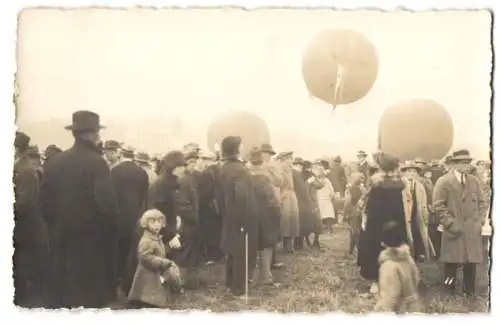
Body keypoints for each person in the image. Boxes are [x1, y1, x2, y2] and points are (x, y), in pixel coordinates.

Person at [39, 111, 119, 308]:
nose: (100, 138)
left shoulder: (55, 162)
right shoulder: (97, 163)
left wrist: (58, 225)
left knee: (61, 297)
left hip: (60, 241)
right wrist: (107, 235)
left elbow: (43, 203)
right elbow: (107, 207)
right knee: (88, 300)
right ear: (91, 135)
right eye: (98, 133)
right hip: (90, 244)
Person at [121, 151, 185, 296]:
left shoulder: (169, 182)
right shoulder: (162, 184)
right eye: (182, 166)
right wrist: (169, 234)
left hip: (158, 227)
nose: (184, 169)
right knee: (147, 262)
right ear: (174, 167)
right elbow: (154, 213)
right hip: (151, 229)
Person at [433, 149, 487, 297]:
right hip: (453, 230)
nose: (466, 165)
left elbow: (482, 202)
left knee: (471, 263)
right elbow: (438, 206)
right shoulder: (444, 181)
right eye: (463, 162)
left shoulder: (474, 181)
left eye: (468, 162)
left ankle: (469, 292)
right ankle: (448, 291)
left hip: (471, 230)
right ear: (454, 164)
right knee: (451, 263)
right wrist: (451, 223)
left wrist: (479, 221)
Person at [357, 152, 408, 294]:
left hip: (378, 224)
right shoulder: (398, 184)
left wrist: (368, 219)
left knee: (375, 252)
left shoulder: (378, 184)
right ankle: (395, 281)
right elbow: (398, 208)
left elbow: (374, 207)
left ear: (381, 167)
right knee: (393, 252)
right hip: (396, 224)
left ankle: (377, 281)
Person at [13, 131, 50, 308]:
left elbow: (25, 202)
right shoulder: (20, 167)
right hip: (23, 225)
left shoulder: (26, 170)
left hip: (25, 226)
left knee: (22, 265)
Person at [219, 136, 259, 298]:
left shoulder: (224, 167)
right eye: (241, 145)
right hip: (241, 216)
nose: (243, 146)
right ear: (236, 148)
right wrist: (246, 218)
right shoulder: (240, 169)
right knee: (242, 252)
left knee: (231, 249)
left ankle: (230, 283)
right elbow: (242, 196)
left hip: (228, 214)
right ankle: (239, 288)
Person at [110, 146, 149, 287]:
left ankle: (119, 276)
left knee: (120, 247)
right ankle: (132, 278)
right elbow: (145, 196)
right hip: (136, 216)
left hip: (119, 216)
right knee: (133, 248)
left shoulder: (114, 172)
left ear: (121, 154)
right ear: (133, 156)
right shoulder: (141, 173)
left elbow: (111, 195)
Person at [128, 209, 182, 308]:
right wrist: (163, 262)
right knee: (148, 292)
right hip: (147, 272)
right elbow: (145, 257)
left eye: (159, 222)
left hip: (155, 271)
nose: (157, 224)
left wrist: (168, 248)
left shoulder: (156, 237)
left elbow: (159, 251)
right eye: (153, 222)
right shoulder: (147, 240)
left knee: (154, 291)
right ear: (146, 223)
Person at [247, 147, 281, 286]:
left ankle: (251, 276)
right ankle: (266, 276)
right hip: (266, 215)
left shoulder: (246, 176)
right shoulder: (265, 177)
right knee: (266, 246)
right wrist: (277, 211)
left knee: (253, 245)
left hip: (250, 214)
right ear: (261, 163)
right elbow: (272, 199)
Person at [374, 221, 421, 313]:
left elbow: (390, 296)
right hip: (411, 307)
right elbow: (416, 278)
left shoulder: (389, 266)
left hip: (397, 311)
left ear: (383, 242)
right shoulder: (408, 258)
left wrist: (380, 311)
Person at [401, 161, 435, 262]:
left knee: (417, 233)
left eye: (414, 171)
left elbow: (424, 200)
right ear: (404, 172)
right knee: (405, 234)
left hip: (417, 213)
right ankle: (407, 255)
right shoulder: (400, 185)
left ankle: (418, 254)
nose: (411, 173)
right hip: (404, 213)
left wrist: (425, 213)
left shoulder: (419, 186)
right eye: (409, 171)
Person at [198, 150, 224, 263]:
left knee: (210, 231)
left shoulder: (207, 173)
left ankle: (213, 256)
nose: (202, 161)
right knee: (218, 229)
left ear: (209, 160)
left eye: (204, 159)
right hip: (219, 204)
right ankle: (220, 253)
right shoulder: (220, 170)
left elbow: (206, 193)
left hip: (209, 206)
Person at [276, 151, 300, 253]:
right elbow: (279, 183)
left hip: (291, 195)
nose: (291, 161)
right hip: (284, 195)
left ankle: (290, 246)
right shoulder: (279, 169)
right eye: (290, 159)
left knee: (293, 220)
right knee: (285, 220)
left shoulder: (290, 169)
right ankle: (285, 246)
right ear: (284, 159)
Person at [343, 172, 365, 257]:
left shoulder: (351, 189)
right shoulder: (363, 188)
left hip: (353, 212)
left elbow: (347, 202)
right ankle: (351, 251)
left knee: (355, 232)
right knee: (354, 232)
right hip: (361, 212)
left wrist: (345, 214)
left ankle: (361, 253)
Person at [313, 160, 336, 233]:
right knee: (328, 213)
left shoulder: (315, 181)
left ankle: (324, 227)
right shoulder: (327, 181)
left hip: (320, 198)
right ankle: (329, 227)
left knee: (322, 214)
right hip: (326, 198)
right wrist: (332, 196)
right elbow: (331, 190)